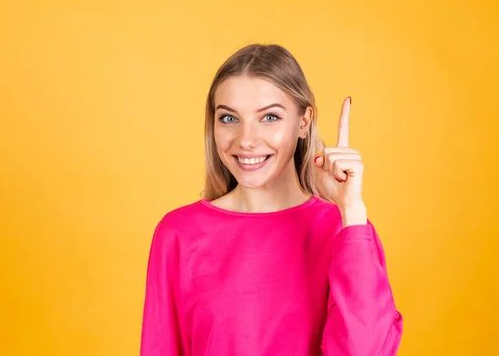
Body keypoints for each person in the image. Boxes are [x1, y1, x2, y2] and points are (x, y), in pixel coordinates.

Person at [140, 44, 403, 355]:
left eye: (269, 117)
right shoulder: (179, 233)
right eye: (228, 119)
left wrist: (351, 211)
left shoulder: (346, 230)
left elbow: (365, 349)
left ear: (304, 122)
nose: (247, 140)